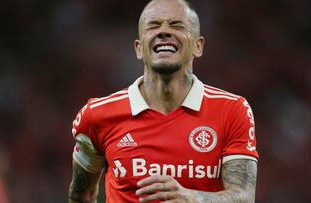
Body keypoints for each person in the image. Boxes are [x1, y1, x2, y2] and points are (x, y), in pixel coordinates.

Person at [68, 0, 259, 202]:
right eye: (153, 25)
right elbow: (81, 194)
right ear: (139, 48)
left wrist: (193, 198)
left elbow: (244, 197)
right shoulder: (97, 114)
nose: (164, 32)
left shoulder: (232, 110)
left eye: (177, 25)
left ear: (198, 46)